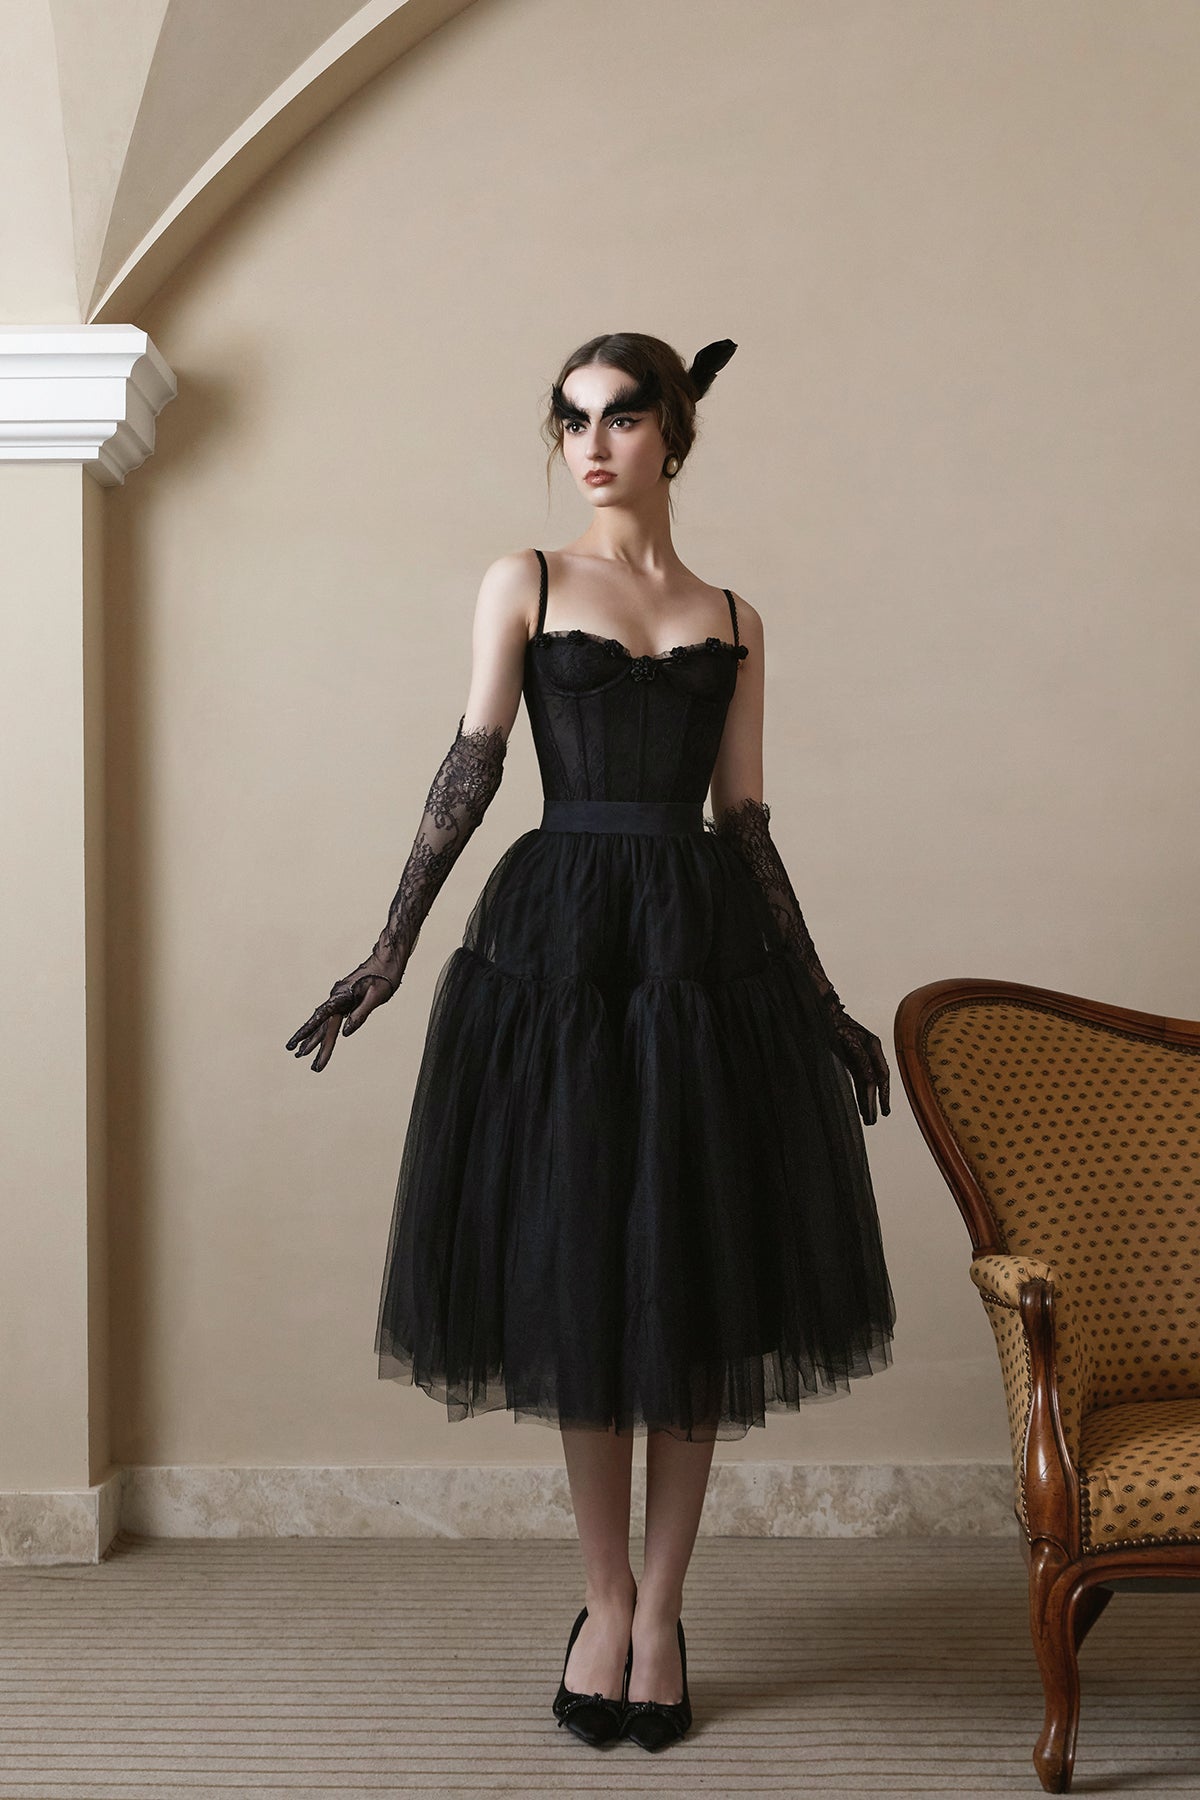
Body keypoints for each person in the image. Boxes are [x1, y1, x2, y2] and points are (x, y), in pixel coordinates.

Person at [286, 332, 896, 1753]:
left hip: (699, 961)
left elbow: (746, 823)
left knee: (691, 1276)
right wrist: (389, 949)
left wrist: (818, 999)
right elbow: (471, 766)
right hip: (561, 952)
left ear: (674, 431)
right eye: (572, 421)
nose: (594, 443)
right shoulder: (526, 579)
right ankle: (604, 1600)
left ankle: (663, 1614)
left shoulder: (735, 616)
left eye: (622, 417)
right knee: (578, 1270)